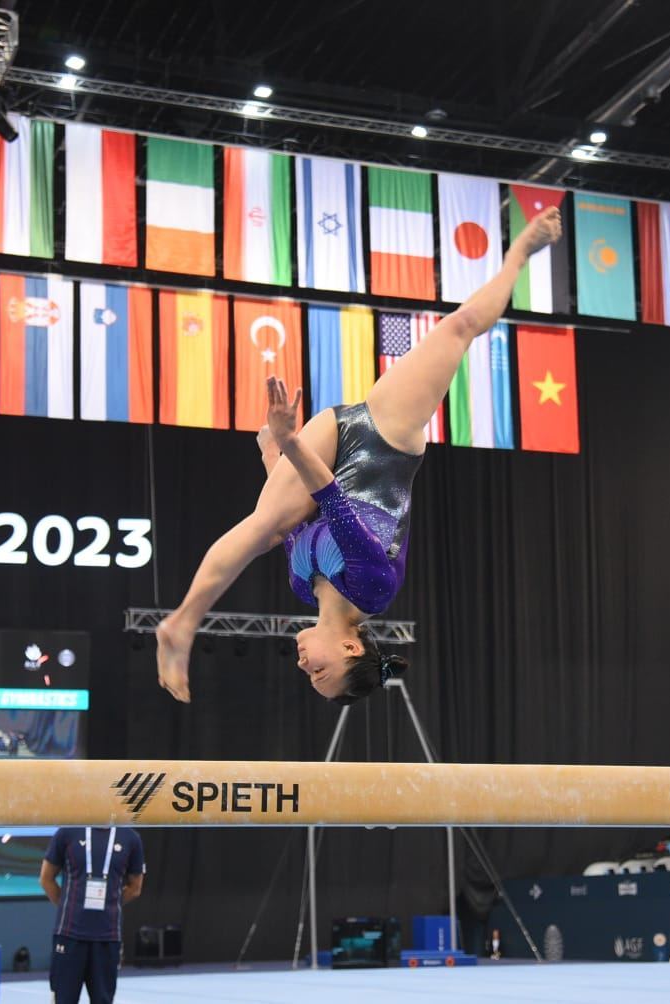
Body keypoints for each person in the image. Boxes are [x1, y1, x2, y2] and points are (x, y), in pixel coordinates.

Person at [155, 206, 565, 704]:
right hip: (383, 440)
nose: (306, 668)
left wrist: (274, 459)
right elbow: (332, 503)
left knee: (268, 524)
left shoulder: (305, 588)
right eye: (322, 674)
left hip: (324, 450)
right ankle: (519, 253)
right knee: (460, 327)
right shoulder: (372, 589)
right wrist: (289, 444)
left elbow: (296, 517)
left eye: (310, 679)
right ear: (351, 646)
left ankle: (180, 625)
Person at [40, 826, 145, 1004]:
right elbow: (46, 879)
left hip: (107, 937)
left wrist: (110, 904)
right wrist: (68, 904)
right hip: (69, 935)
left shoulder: (130, 838)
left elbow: (135, 888)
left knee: (103, 999)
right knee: (63, 999)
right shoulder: (67, 832)